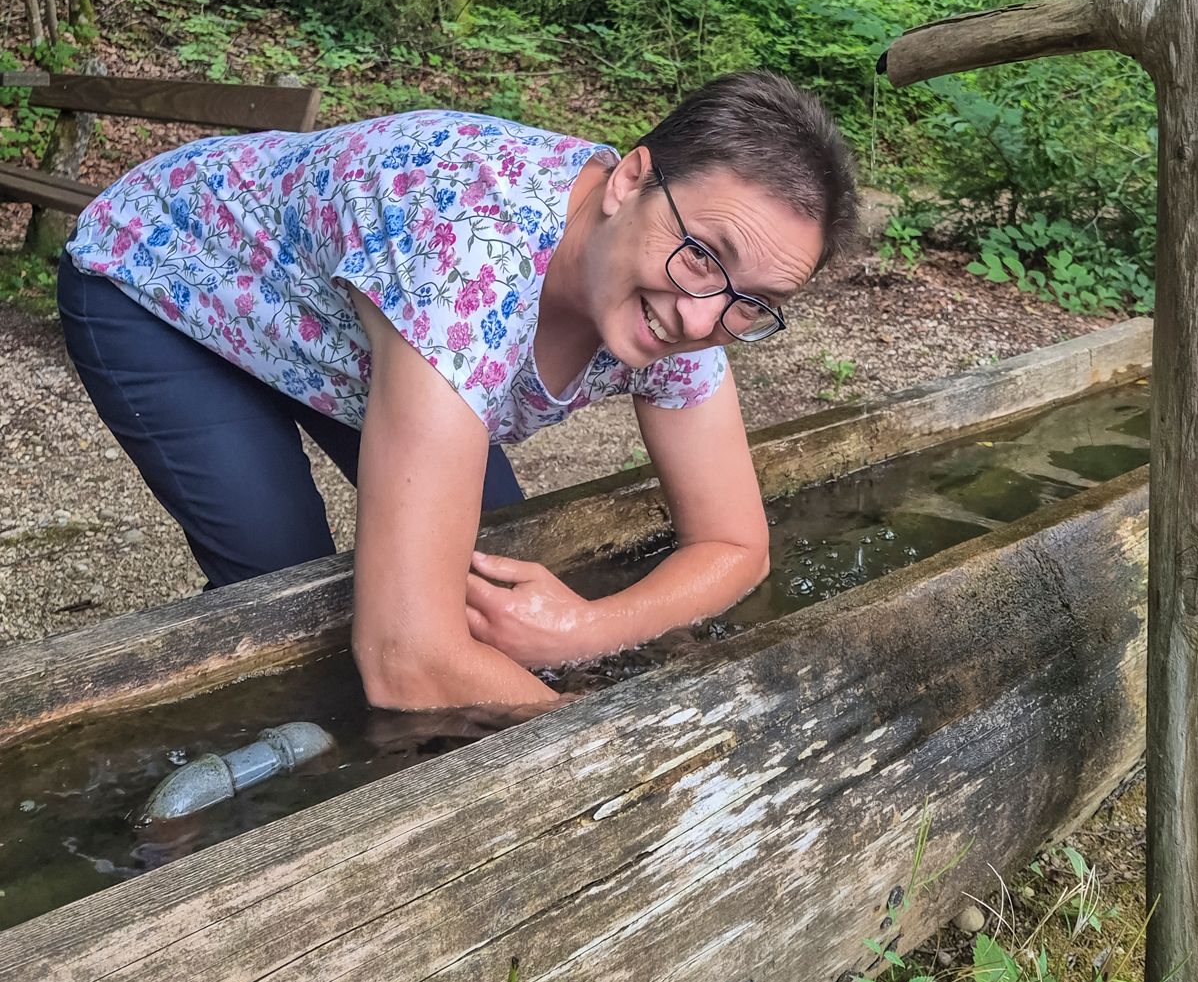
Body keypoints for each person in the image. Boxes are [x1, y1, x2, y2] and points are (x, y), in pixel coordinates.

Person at [58, 70, 857, 714]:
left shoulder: (691, 298)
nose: (699, 317)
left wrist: (584, 629)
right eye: (701, 255)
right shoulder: (473, 258)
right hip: (168, 278)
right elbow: (409, 661)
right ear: (631, 179)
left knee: (491, 568)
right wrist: (618, 752)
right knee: (288, 593)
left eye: (752, 303)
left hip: (338, 328)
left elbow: (735, 545)